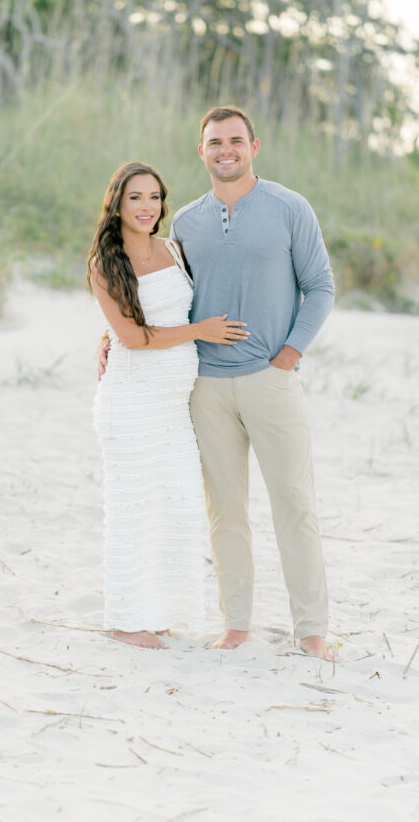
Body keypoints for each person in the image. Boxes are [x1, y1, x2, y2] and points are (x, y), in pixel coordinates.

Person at [100, 109, 336, 660]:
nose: (225, 149)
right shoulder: (183, 221)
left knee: (294, 504)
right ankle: (237, 625)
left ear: (253, 145)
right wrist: (108, 335)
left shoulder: (288, 208)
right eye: (214, 142)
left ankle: (313, 631)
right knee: (224, 510)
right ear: (201, 151)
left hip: (270, 381)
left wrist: (289, 355)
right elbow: (146, 287)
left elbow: (320, 286)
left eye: (235, 140)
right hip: (204, 385)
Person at [88, 161, 248, 649]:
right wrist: (199, 333)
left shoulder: (174, 250)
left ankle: (155, 612)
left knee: (175, 503)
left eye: (154, 197)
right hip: (131, 400)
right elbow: (134, 337)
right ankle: (124, 621)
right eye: (135, 197)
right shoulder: (105, 263)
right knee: (133, 507)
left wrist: (108, 333)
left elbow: (170, 310)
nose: (146, 207)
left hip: (173, 405)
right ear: (117, 202)